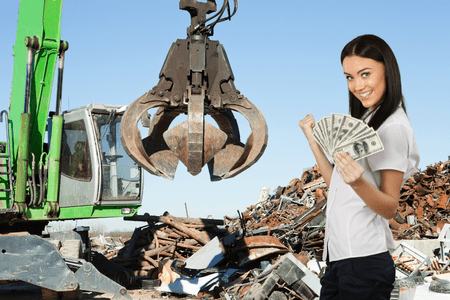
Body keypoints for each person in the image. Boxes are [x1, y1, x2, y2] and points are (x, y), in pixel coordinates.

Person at [298, 34, 420, 299]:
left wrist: (358, 182)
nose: (357, 85)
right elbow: (338, 186)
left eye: (365, 74)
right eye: (349, 77)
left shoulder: (393, 127)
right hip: (340, 258)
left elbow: (389, 207)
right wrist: (314, 142)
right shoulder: (366, 120)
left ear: (387, 70)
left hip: (364, 261)